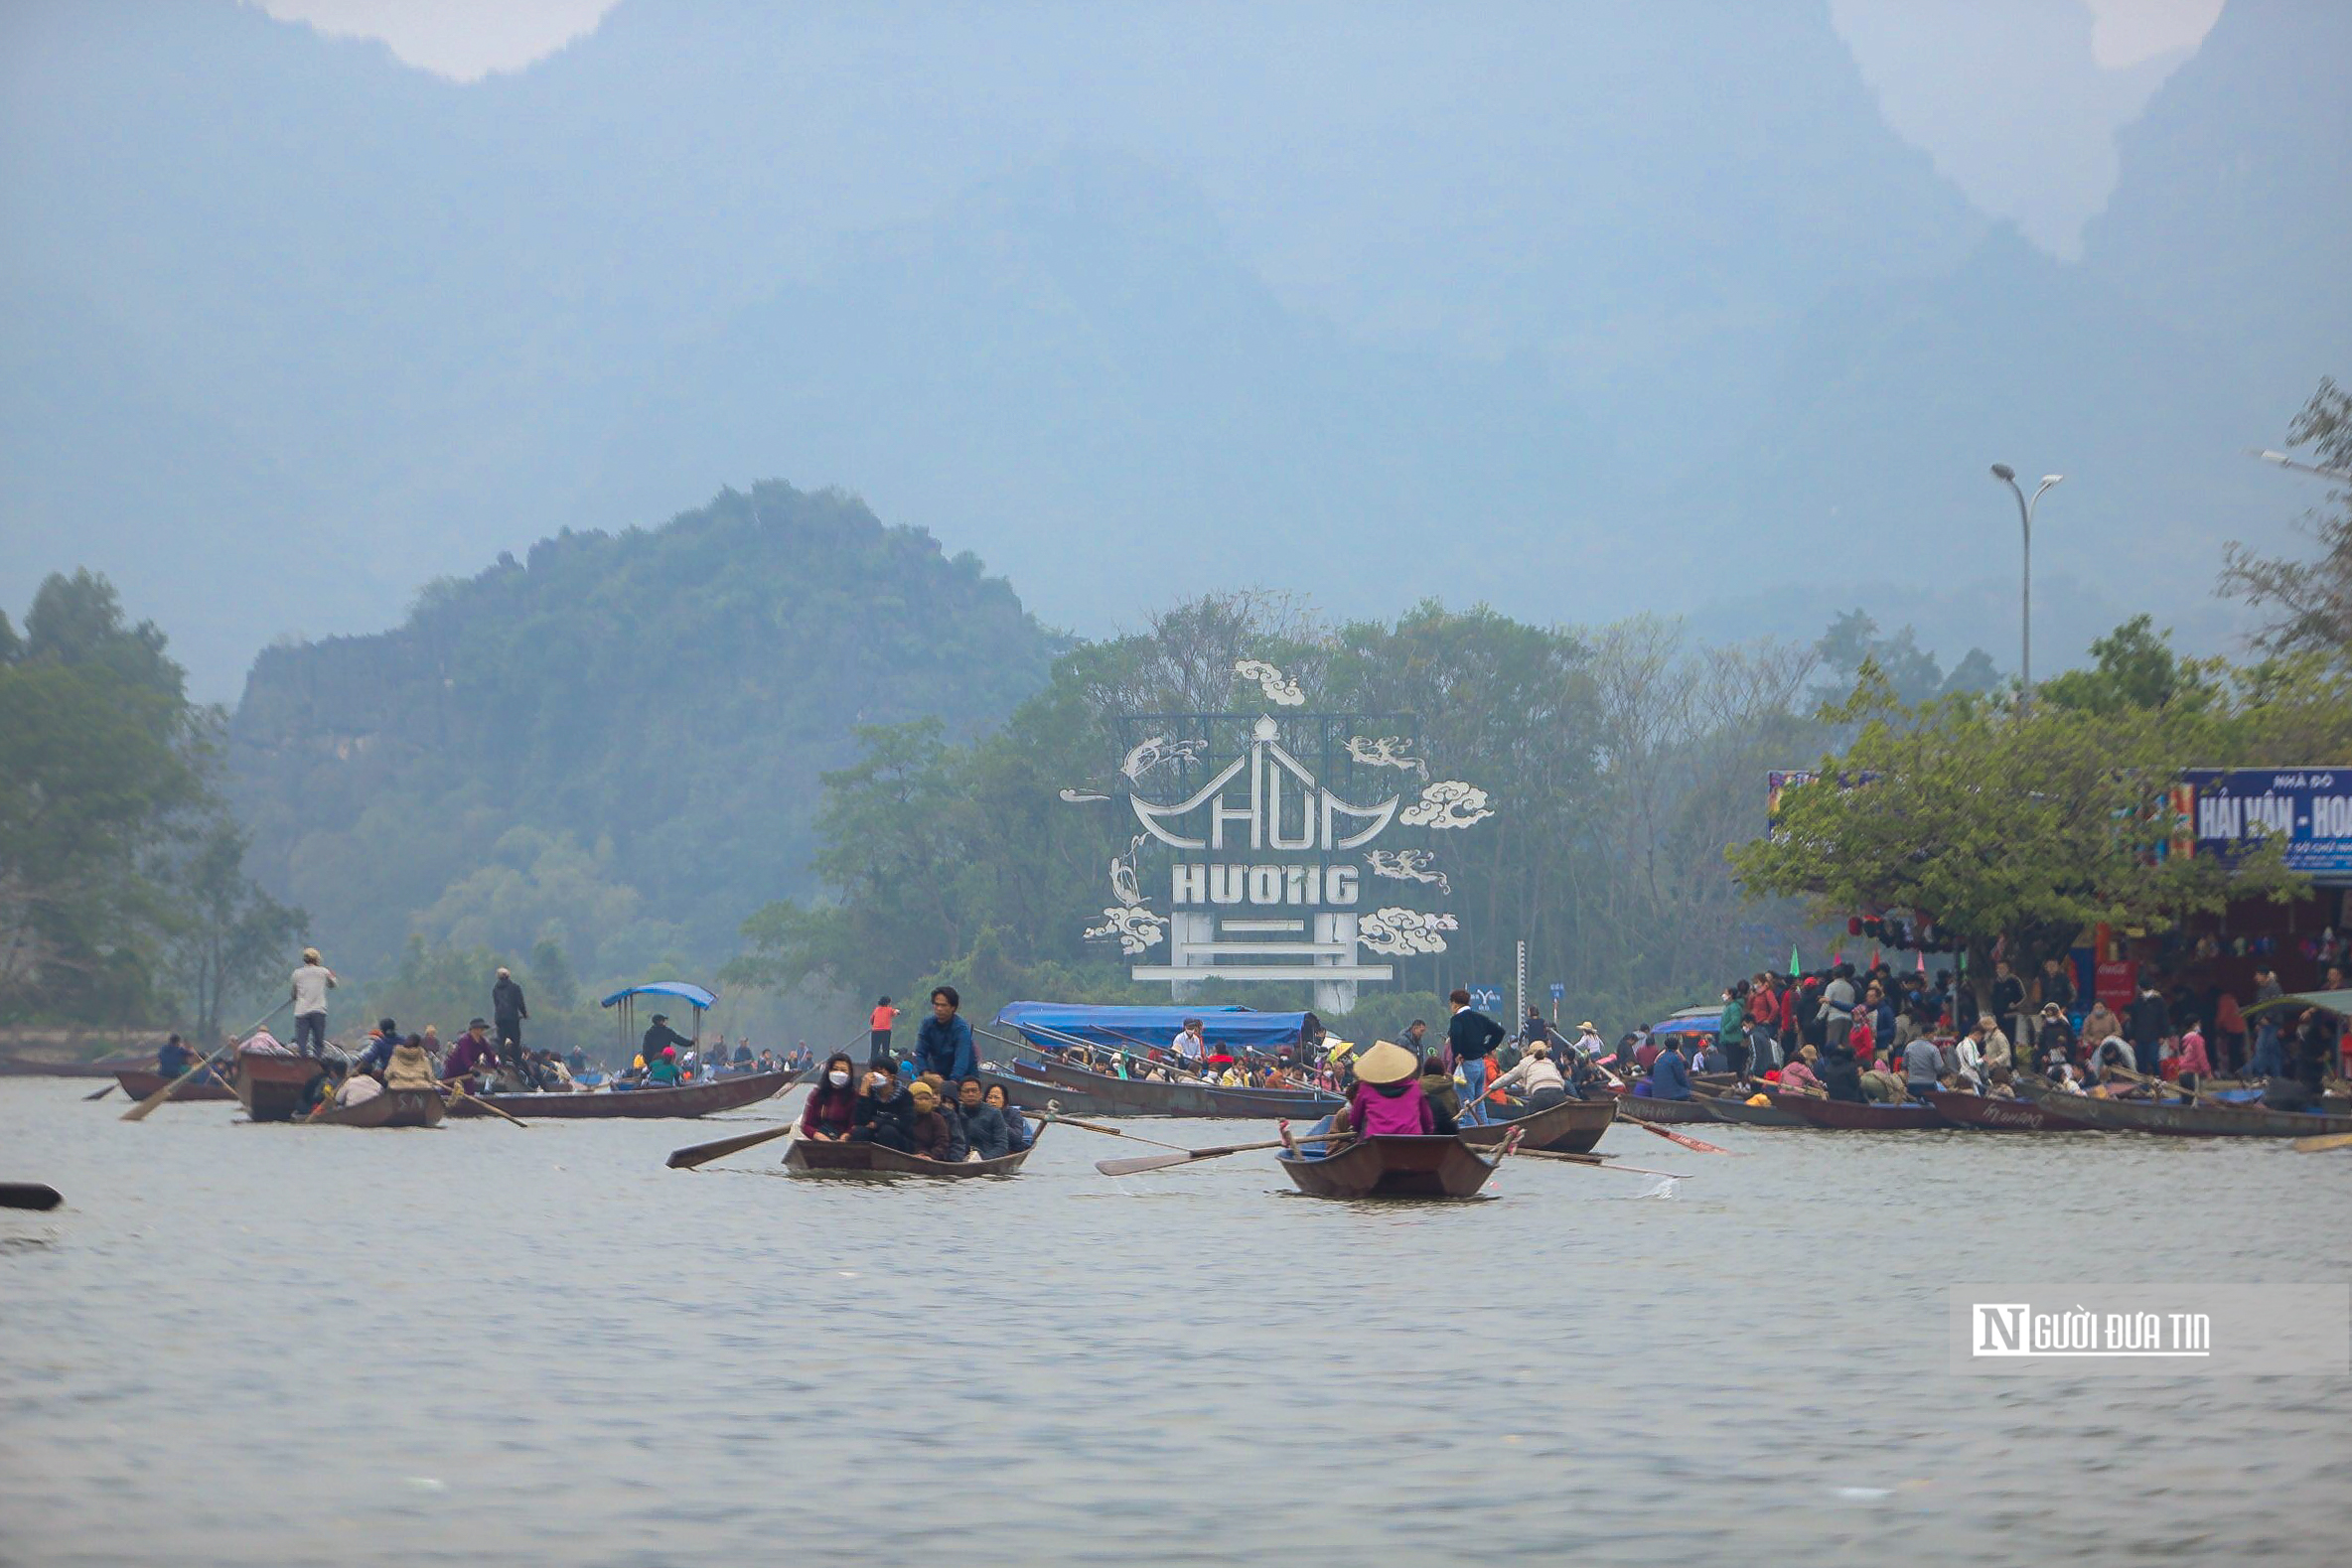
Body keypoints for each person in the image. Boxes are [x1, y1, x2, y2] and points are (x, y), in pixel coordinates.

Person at [1336, 1041, 1433, 1136]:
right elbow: (1428, 1124)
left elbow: (1355, 1121)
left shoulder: (1366, 1088)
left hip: (1377, 1145)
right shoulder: (1415, 1087)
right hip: (1411, 1143)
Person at [1445, 989, 1506, 1125]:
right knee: (1479, 1102)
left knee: (1467, 1105)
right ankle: (1484, 1130)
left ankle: (1472, 1134)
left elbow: (1456, 1035)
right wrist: (1486, 1048)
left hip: (1466, 1066)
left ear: (1455, 1003)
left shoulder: (1457, 1019)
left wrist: (1457, 1053)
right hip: (1480, 1065)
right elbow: (1500, 1032)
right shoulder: (1479, 1018)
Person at [1491, 1038, 1568, 1114]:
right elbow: (1561, 1081)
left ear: (1530, 1050)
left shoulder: (1525, 1061)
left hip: (1540, 1096)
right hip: (1559, 1095)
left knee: (1527, 1122)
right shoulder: (1549, 1062)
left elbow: (1508, 1078)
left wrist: (1492, 1086)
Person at [915, 986, 975, 1081]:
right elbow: (920, 1053)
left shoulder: (961, 1029)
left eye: (943, 1005)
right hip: (937, 1075)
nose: (939, 1009)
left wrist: (952, 1081)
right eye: (936, 1004)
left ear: (953, 1007)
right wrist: (925, 1073)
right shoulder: (927, 1024)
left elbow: (961, 1060)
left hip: (963, 1078)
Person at [799, 1053, 861, 1141]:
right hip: (820, 1139)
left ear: (850, 1074)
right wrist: (819, 1136)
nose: (839, 1073)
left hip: (844, 1142)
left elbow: (854, 1125)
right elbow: (806, 1125)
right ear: (828, 1071)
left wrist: (846, 1136)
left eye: (843, 1070)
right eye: (835, 1069)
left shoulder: (854, 1096)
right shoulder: (817, 1094)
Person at [288, 946, 337, 1058]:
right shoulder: (324, 972)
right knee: (318, 1041)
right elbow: (333, 984)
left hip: (301, 1011)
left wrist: (297, 996)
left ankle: (304, 1060)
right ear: (317, 959)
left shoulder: (297, 973)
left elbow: (294, 994)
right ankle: (316, 1060)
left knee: (302, 1041)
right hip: (318, 1010)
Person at [954, 1077, 1010, 1161]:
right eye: (966, 1091)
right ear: (960, 1096)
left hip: (986, 1158)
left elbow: (1002, 1146)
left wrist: (982, 1158)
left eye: (974, 1091)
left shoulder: (995, 1114)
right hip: (960, 1158)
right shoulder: (954, 1113)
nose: (970, 1094)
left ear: (980, 1094)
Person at [2127, 981, 2171, 1077]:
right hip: (2139, 1037)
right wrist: (2131, 1037)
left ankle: (2158, 1079)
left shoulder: (2159, 1001)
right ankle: (2144, 1086)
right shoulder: (2137, 1001)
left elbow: (2164, 1019)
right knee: (2140, 1061)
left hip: (2154, 1037)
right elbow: (2133, 1021)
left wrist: (2163, 1035)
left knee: (2153, 1059)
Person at [903, 1079, 954, 1160]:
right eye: (920, 1099)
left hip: (930, 1158)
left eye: (927, 1099)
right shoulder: (903, 1116)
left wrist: (930, 1156)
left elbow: (942, 1142)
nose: (924, 1102)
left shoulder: (937, 1119)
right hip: (905, 1155)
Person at [442, 1019, 498, 1087]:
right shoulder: (465, 1040)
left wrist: (496, 1067)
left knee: (469, 1091)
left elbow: (489, 1055)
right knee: (449, 1090)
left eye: (482, 1029)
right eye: (480, 1028)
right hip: (454, 1069)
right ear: (474, 1029)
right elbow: (464, 1056)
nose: (482, 1030)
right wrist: (471, 1068)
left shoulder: (482, 1041)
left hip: (467, 1071)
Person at [1416, 1052, 1462, 1134]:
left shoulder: (1417, 1087)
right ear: (1442, 1070)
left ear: (1425, 1069)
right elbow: (1456, 1111)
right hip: (1446, 1133)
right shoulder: (1449, 1088)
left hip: (1422, 1132)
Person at [985, 1082, 1033, 1153]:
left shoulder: (1014, 1114)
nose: (992, 1101)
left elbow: (1017, 1138)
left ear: (1004, 1100)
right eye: (989, 1097)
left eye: (997, 1098)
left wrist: (999, 1122)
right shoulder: (982, 1112)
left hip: (1011, 1148)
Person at [492, 966, 528, 1056]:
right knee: (515, 1040)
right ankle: (517, 1062)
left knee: (501, 1041)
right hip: (512, 1018)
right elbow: (520, 1002)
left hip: (500, 1019)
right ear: (508, 976)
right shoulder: (515, 988)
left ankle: (502, 1060)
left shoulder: (495, 989)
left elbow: (496, 1003)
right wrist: (524, 1013)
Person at [1646, 1036, 1691, 1101]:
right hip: (1671, 1095)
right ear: (1677, 1047)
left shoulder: (1659, 1058)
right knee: (1687, 1092)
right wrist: (1688, 1088)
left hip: (1656, 1094)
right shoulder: (1675, 1058)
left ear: (1665, 1047)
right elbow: (1681, 1078)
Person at [1902, 1029, 1944, 1096]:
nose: (1934, 1037)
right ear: (1927, 1034)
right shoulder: (1933, 1049)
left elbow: (1904, 1066)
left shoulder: (1909, 1046)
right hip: (1929, 1085)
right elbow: (1939, 1068)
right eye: (1933, 1034)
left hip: (1912, 1085)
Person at [869, 996, 897, 1067]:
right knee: (885, 1049)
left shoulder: (876, 1009)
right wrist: (898, 1011)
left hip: (875, 1031)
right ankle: (885, 1065)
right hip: (885, 1031)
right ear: (888, 1003)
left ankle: (872, 1064)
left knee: (874, 1049)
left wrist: (875, 1025)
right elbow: (895, 1012)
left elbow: (871, 1020)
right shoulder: (889, 1009)